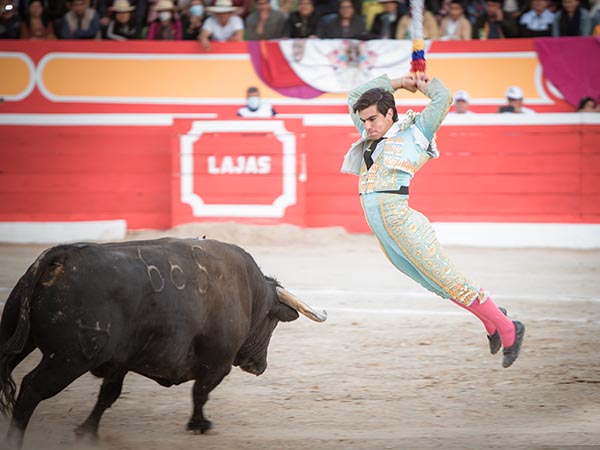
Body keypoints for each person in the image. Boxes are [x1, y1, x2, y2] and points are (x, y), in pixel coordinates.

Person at [341, 72, 525, 368]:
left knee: (449, 280)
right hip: (384, 231)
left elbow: (443, 99)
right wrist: (399, 82)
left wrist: (427, 85)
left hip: (403, 223)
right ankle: (492, 321)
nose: (366, 125)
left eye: (372, 119)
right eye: (363, 121)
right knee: (434, 283)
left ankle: (508, 328)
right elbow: (353, 98)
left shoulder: (416, 132)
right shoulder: (370, 131)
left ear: (389, 114)